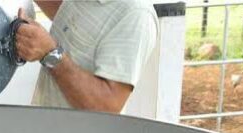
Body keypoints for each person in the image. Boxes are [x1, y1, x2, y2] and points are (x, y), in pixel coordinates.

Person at [15, 1, 158, 113]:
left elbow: (106, 106)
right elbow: (72, 20)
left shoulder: (136, 15)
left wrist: (51, 54)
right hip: (43, 129)